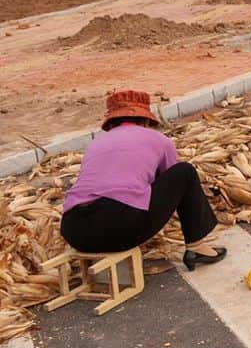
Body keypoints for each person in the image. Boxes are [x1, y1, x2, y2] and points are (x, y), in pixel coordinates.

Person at [60, 90, 226, 271]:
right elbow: (171, 185)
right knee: (184, 172)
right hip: (119, 230)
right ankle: (196, 247)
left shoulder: (95, 144)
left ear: (111, 122)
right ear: (146, 121)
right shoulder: (159, 140)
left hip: (73, 230)